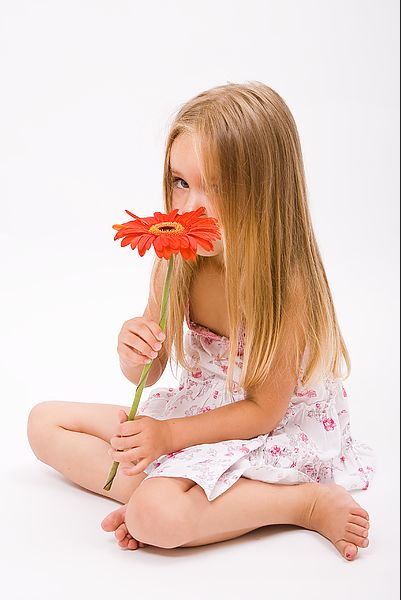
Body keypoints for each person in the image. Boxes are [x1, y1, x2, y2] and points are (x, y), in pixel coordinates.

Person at [27, 81, 375, 561]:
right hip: (196, 412)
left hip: (268, 428)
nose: (190, 208)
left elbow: (263, 413)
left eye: (216, 186)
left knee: (155, 516)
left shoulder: (283, 283)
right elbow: (150, 372)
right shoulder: (178, 258)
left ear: (264, 192)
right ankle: (182, 501)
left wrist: (168, 438)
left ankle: (300, 504)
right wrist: (135, 351)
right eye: (181, 182)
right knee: (44, 423)